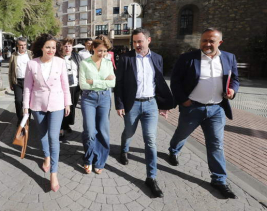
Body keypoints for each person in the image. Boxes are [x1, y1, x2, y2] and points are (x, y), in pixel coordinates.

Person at [168, 28, 239, 199]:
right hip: (192, 107)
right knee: (182, 133)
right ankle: (173, 149)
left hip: (217, 109)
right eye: (204, 40)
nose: (207, 44)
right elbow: (175, 81)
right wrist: (183, 100)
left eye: (211, 41)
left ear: (219, 42)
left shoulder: (229, 58)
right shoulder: (188, 58)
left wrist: (232, 91)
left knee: (216, 144)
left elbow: (235, 79)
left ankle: (219, 180)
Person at [114, 28, 174, 198]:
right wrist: (119, 104)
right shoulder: (126, 58)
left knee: (151, 141)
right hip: (132, 104)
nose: (137, 45)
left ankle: (151, 177)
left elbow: (160, 83)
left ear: (149, 40)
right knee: (129, 132)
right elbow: (119, 84)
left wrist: (163, 105)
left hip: (151, 104)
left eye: (140, 41)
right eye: (134, 42)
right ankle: (124, 149)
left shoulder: (157, 58)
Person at [23, 34, 71, 192]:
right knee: (42, 135)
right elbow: (28, 87)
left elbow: (65, 84)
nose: (51, 50)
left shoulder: (60, 62)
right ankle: (46, 157)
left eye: (54, 47)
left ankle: (54, 173)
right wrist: (25, 106)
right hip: (37, 104)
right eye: (48, 47)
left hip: (57, 104)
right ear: (41, 48)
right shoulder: (32, 64)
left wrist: (67, 103)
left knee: (53, 136)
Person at [79, 37, 115, 175]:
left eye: (105, 51)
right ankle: (88, 158)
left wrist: (93, 81)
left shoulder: (108, 63)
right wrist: (103, 81)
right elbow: (83, 85)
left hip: (105, 98)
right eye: (100, 50)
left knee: (103, 131)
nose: (102, 54)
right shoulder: (85, 63)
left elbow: (113, 83)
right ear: (93, 48)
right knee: (89, 131)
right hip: (89, 98)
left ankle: (100, 160)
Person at [60, 37, 82, 138]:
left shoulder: (77, 56)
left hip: (75, 86)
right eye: (65, 46)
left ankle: (67, 124)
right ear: (62, 47)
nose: (67, 48)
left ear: (72, 47)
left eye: (69, 46)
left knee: (72, 106)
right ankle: (62, 127)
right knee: (64, 107)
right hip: (63, 87)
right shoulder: (58, 58)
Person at [8, 37, 32, 125]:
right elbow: (10, 70)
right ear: (17, 46)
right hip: (17, 81)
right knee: (18, 100)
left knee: (28, 100)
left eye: (24, 45)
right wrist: (11, 82)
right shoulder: (14, 55)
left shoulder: (30, 54)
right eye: (21, 45)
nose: (23, 47)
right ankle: (20, 118)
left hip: (28, 81)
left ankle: (28, 118)